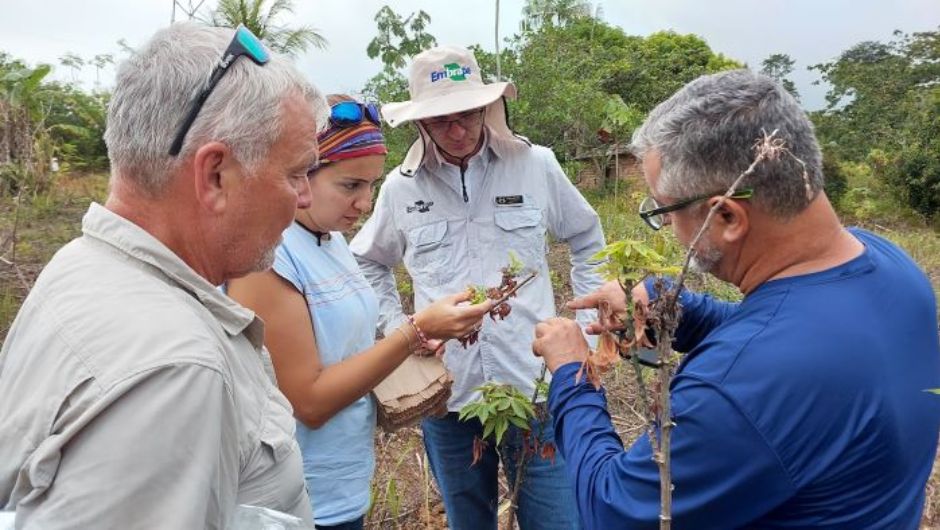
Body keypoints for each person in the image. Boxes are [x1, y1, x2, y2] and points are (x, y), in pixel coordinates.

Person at [532, 69, 940, 528]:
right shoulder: (888, 263)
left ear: (726, 216)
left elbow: (613, 511)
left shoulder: (733, 389)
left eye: (663, 211)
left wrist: (571, 375)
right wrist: (670, 304)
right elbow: (786, 335)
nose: (667, 229)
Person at [0, 23, 325, 528]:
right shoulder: (177, 367)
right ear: (215, 174)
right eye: (295, 172)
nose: (304, 197)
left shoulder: (81, 263)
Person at [349, 45, 605, 530]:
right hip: (448, 396)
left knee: (557, 520)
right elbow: (366, 262)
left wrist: (585, 336)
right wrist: (401, 328)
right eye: (441, 119)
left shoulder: (537, 165)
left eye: (468, 113)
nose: (458, 129)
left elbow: (588, 238)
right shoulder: (400, 189)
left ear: (487, 107)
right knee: (469, 520)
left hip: (537, 388)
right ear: (421, 123)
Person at [226, 94, 493, 530]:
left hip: (343, 482)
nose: (365, 203)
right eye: (350, 186)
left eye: (371, 185)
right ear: (301, 178)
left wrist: (413, 342)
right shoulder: (270, 258)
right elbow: (309, 402)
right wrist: (412, 331)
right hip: (298, 497)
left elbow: (344, 349)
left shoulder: (331, 242)